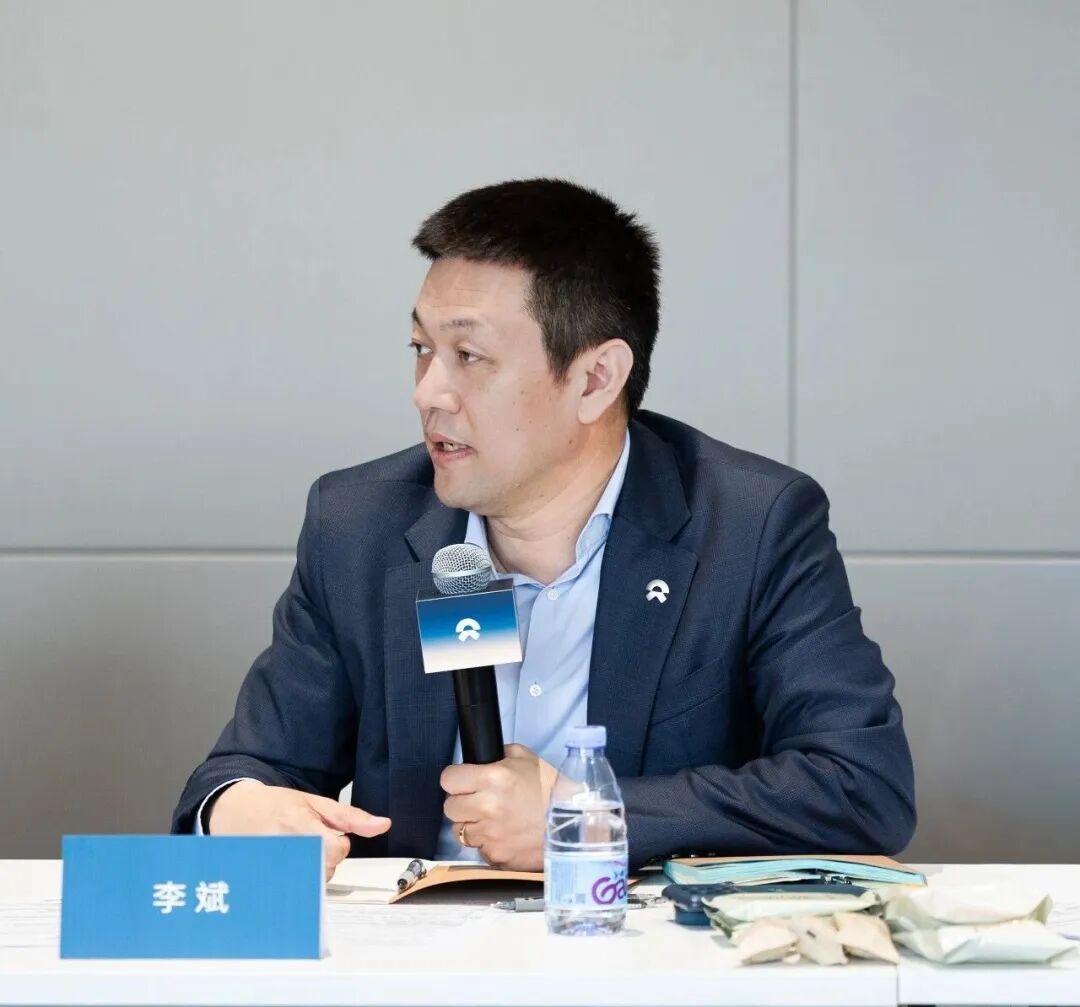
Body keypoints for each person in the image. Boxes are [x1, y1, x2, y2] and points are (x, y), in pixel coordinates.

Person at [171, 178, 916, 879]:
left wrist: (589, 813)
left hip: (636, 947)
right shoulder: (359, 525)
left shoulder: (750, 527)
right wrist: (237, 808)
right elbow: (247, 769)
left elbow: (861, 785)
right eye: (422, 350)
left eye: (469, 356)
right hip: (417, 950)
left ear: (595, 379)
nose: (430, 392)